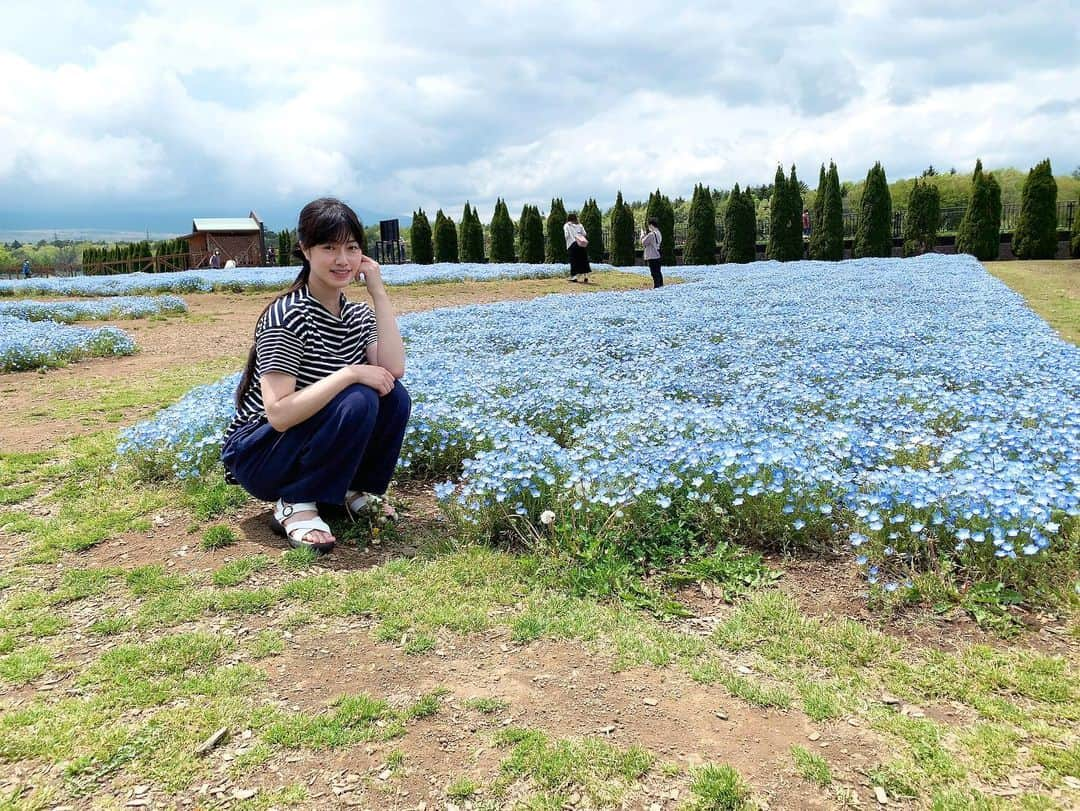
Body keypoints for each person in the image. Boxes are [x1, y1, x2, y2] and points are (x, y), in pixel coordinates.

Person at [221, 198, 410, 554]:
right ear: (305, 250)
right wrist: (351, 372)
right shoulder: (287, 316)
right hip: (261, 454)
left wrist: (379, 293)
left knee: (392, 393)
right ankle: (296, 501)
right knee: (359, 395)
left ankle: (352, 490)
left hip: (297, 441)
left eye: (352, 248)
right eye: (329, 248)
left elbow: (393, 368)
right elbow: (278, 415)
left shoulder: (356, 315)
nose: (343, 260)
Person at [564, 212, 591, 283]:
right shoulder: (580, 225)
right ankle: (586, 277)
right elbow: (584, 234)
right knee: (584, 260)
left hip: (572, 244)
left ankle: (574, 277)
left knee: (574, 261)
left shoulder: (567, 225)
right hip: (581, 244)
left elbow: (566, 235)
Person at [641, 217, 663, 288]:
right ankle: (661, 286)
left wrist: (642, 235)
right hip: (657, 255)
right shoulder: (659, 233)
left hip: (652, 256)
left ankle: (656, 287)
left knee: (654, 273)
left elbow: (643, 243)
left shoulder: (651, 234)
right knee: (658, 272)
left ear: (651, 225)